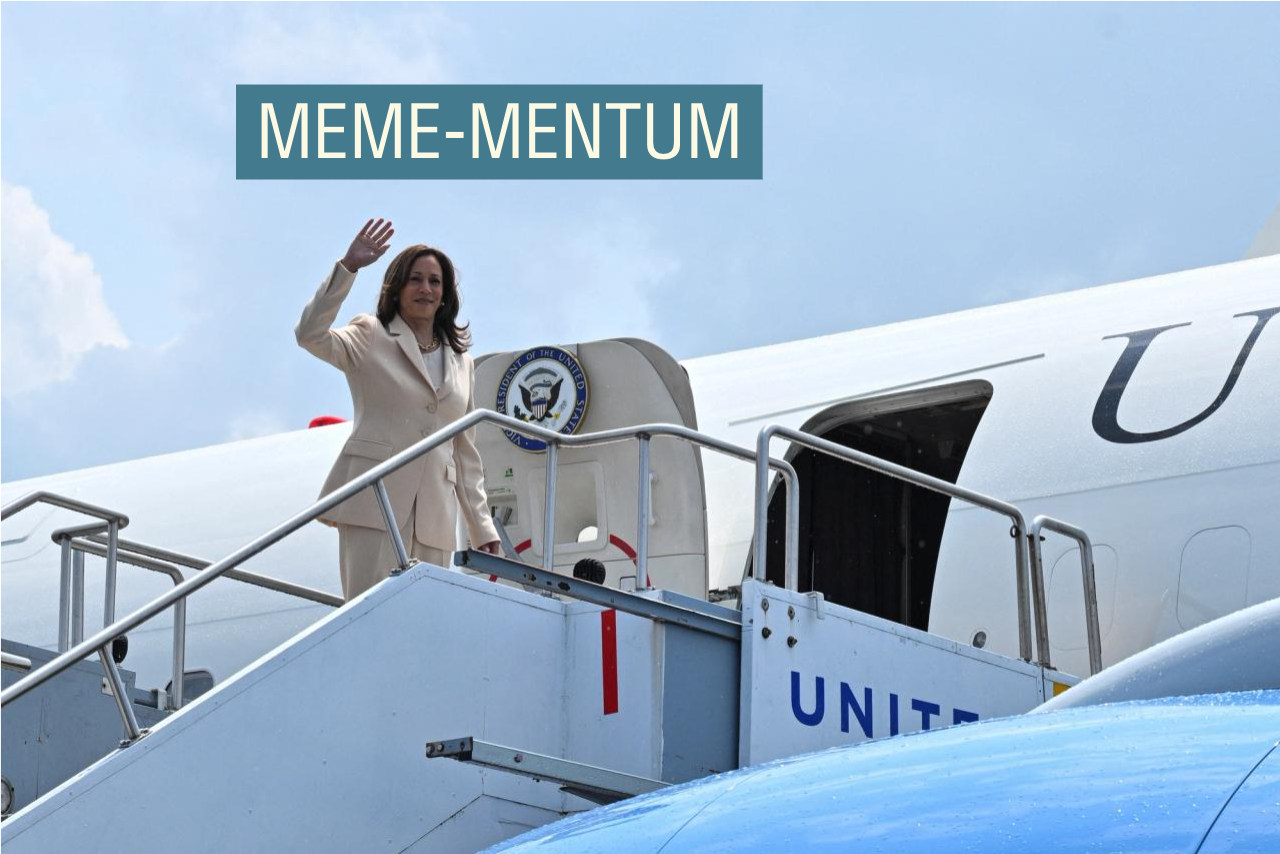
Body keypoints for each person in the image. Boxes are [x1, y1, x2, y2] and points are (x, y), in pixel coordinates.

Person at [295, 217, 500, 600]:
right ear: (397, 287)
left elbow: (464, 452)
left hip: (435, 516)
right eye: (415, 279)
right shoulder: (370, 334)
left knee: (424, 625)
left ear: (446, 293)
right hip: (374, 505)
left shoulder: (462, 363)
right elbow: (309, 335)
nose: (425, 288)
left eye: (434, 281)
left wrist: (481, 527)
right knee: (370, 617)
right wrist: (348, 267)